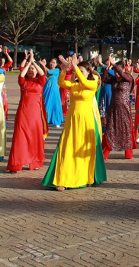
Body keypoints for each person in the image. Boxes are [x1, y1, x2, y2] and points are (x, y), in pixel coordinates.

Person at [42, 57, 107, 190]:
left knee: (85, 151)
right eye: (79, 71)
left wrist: (75, 67)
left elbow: (85, 81)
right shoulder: (75, 84)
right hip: (73, 120)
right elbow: (61, 83)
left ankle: (87, 177)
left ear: (88, 72)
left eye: (82, 71)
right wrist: (65, 69)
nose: (79, 73)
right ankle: (64, 180)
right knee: (68, 148)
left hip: (86, 121)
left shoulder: (93, 83)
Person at [7, 51, 48, 172]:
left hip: (35, 114)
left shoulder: (40, 81)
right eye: (29, 69)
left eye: (33, 69)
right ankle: (16, 163)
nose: (31, 71)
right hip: (23, 113)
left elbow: (42, 73)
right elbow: (21, 75)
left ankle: (34, 162)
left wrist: (34, 62)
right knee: (20, 137)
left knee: (34, 137)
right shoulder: (23, 82)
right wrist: (28, 63)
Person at [102, 58, 137, 160]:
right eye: (115, 72)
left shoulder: (128, 78)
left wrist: (115, 65)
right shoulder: (113, 79)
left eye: (118, 71)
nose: (116, 74)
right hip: (113, 108)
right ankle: (105, 152)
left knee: (126, 130)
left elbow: (122, 74)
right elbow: (104, 79)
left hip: (124, 109)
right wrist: (107, 69)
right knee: (110, 129)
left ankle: (128, 153)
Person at [42, 58, 65, 127]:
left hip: (54, 91)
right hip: (46, 90)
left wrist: (43, 65)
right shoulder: (46, 70)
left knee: (55, 104)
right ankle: (45, 119)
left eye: (54, 62)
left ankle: (56, 121)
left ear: (56, 64)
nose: (52, 64)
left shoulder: (57, 70)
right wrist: (43, 65)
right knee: (46, 103)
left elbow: (49, 72)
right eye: (51, 62)